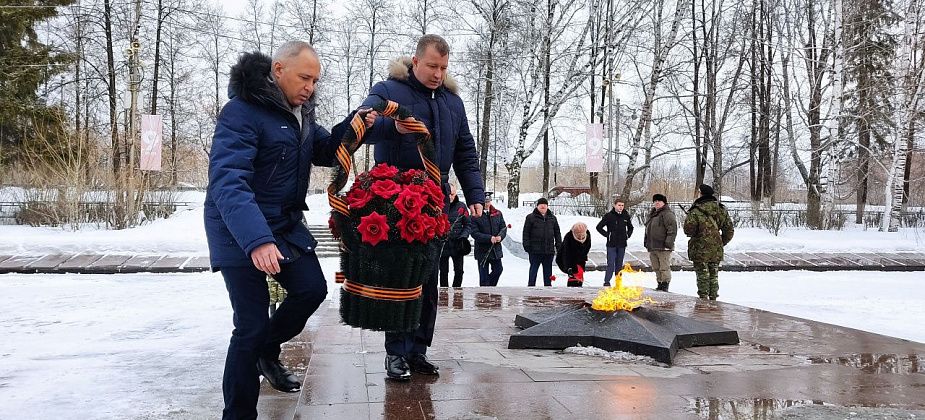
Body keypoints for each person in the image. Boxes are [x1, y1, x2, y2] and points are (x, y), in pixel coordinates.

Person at [204, 41, 376, 419]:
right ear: (278, 70)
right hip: (237, 228)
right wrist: (257, 240)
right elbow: (228, 181)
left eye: (315, 80)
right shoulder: (241, 112)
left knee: (311, 289)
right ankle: (238, 412)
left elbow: (326, 151)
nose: (310, 87)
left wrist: (356, 123)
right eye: (304, 77)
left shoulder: (299, 114)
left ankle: (266, 349)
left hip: (282, 225)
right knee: (248, 326)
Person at [346, 34, 485, 381]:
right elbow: (364, 123)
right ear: (416, 61)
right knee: (401, 280)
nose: (438, 73)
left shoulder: (453, 103)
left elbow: (466, 152)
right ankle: (396, 354)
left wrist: (476, 195)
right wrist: (384, 122)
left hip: (434, 203)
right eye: (433, 66)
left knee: (427, 280)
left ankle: (418, 350)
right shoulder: (390, 89)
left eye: (444, 68)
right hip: (395, 201)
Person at [683, 184, 735, 300]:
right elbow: (729, 230)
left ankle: (703, 299)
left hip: (699, 249)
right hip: (716, 249)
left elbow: (688, 231)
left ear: (701, 194)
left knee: (702, 275)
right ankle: (713, 300)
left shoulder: (696, 210)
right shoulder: (721, 209)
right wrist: (720, 242)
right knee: (714, 275)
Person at [523, 197, 562, 287]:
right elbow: (526, 232)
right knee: (533, 270)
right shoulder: (530, 217)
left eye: (545, 205)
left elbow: (557, 233)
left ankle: (548, 289)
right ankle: (531, 287)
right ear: (537, 206)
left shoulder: (553, 218)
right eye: (541, 205)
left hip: (548, 250)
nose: (543, 207)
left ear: (547, 206)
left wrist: (559, 245)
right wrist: (526, 245)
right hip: (534, 250)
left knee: (548, 272)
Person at [596, 197, 634, 286]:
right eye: (619, 205)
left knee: (619, 264)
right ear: (615, 205)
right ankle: (607, 281)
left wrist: (627, 235)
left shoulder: (625, 215)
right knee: (611, 263)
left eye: (622, 205)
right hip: (611, 244)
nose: (621, 207)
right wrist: (607, 235)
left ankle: (618, 282)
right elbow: (599, 227)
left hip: (622, 244)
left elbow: (631, 227)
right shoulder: (609, 216)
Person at [471, 193, 506, 287]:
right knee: (483, 277)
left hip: (495, 250)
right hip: (482, 251)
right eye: (484, 202)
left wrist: (500, 236)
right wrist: (489, 238)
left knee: (498, 270)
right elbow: (474, 233)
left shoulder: (497, 213)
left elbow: (503, 228)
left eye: (488, 201)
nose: (487, 204)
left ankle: (490, 288)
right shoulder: (475, 215)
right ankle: (484, 295)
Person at [644, 193, 677, 292]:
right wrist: (646, 242)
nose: (657, 203)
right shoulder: (653, 214)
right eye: (655, 201)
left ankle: (665, 285)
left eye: (659, 201)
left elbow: (672, 230)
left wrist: (668, 243)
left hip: (663, 247)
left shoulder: (667, 214)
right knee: (656, 267)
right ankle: (659, 283)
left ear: (664, 202)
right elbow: (647, 230)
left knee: (664, 267)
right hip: (653, 246)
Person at [439, 184, 471, 287]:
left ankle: (457, 291)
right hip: (444, 243)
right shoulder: (440, 205)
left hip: (457, 244)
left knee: (459, 271)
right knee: (443, 272)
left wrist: (463, 237)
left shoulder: (461, 206)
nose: (450, 197)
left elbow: (468, 224)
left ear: (455, 194)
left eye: (452, 194)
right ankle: (444, 293)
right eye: (448, 194)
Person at [556, 222, 591, 287]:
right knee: (573, 278)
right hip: (569, 260)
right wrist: (568, 268)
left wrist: (583, 257)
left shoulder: (588, 235)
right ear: (574, 233)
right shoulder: (568, 238)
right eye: (578, 236)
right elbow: (566, 255)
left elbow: (587, 248)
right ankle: (571, 293)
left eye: (582, 235)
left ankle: (579, 292)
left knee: (579, 276)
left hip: (580, 260)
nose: (580, 237)